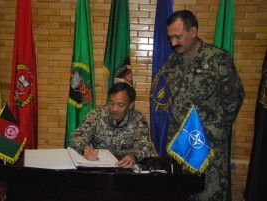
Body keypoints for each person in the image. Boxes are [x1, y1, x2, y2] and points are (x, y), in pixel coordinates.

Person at [163, 10, 245, 201]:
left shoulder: (217, 58)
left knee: (206, 196)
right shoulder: (172, 61)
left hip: (207, 148)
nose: (173, 42)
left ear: (193, 31)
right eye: (170, 37)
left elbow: (234, 97)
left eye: (178, 36)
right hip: (181, 147)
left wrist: (213, 128)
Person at [69, 82, 151, 168]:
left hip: (124, 169)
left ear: (131, 105)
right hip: (98, 168)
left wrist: (133, 156)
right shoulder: (96, 114)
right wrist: (84, 149)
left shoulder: (138, 119)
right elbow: (77, 136)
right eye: (111, 103)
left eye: (120, 105)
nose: (114, 109)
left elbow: (144, 146)